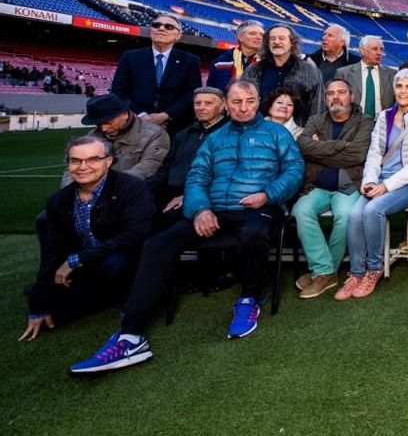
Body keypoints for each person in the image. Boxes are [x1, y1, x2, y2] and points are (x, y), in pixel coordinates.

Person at [69, 80, 303, 373]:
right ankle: (130, 335)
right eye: (237, 102)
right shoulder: (215, 139)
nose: (243, 108)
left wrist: (268, 194)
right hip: (214, 210)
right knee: (157, 244)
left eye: (250, 101)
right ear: (227, 105)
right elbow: (197, 177)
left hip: (259, 207)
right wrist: (201, 209)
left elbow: (294, 170)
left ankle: (249, 298)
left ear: (258, 102)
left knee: (255, 233)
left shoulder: (277, 133)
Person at [21, 137, 152, 342]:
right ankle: (92, 293)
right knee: (50, 316)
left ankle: (126, 296)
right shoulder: (59, 200)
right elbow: (51, 251)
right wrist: (39, 304)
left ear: (108, 161)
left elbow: (135, 235)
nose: (83, 167)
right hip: (88, 265)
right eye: (75, 161)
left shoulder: (132, 187)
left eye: (92, 159)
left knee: (114, 264)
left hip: (125, 258)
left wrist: (76, 259)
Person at [339, 69, 408, 300]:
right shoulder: (385, 116)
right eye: (400, 86)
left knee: (373, 210)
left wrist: (386, 186)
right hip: (381, 179)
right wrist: (371, 180)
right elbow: (374, 152)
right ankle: (356, 272)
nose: (403, 91)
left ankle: (374, 268)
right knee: (354, 214)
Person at [293, 79, 375, 299]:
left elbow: (357, 155)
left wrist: (319, 149)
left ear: (352, 96)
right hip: (316, 185)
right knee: (300, 211)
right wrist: (340, 146)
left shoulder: (365, 121)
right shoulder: (316, 119)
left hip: (348, 186)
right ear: (325, 97)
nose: (335, 97)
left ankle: (321, 272)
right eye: (330, 93)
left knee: (346, 215)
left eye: (341, 92)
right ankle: (326, 271)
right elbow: (303, 146)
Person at [147, 87, 228, 224]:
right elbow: (165, 168)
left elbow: (225, 176)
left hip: (201, 196)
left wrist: (189, 196)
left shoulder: (229, 134)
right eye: (197, 103)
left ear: (222, 106)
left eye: (208, 103)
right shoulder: (184, 134)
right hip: (169, 192)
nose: (201, 108)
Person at [110, 13, 202, 135]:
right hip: (136, 125)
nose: (161, 28)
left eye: (169, 27)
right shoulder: (130, 57)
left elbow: (193, 93)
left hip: (177, 128)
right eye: (156, 25)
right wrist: (141, 115)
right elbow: (118, 91)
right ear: (150, 31)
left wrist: (166, 115)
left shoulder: (191, 60)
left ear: (178, 35)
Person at [67, 94, 169, 186]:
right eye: (98, 124)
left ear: (124, 114)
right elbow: (73, 169)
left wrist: (102, 186)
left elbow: (146, 169)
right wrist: (69, 193)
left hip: (134, 195)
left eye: (108, 122)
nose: (103, 128)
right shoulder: (93, 136)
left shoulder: (155, 134)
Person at [243, 24, 324, 126]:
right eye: (272, 39)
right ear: (267, 43)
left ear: (292, 43)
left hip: (295, 133)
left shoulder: (309, 71)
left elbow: (318, 106)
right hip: (257, 130)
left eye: (282, 38)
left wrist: (312, 131)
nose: (276, 42)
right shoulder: (254, 69)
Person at [335, 35, 396, 119]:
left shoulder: (393, 74)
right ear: (362, 51)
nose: (379, 53)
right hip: (352, 124)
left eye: (381, 49)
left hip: (382, 125)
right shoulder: (344, 73)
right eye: (375, 49)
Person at [207, 20, 263, 91]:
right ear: (240, 37)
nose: (259, 37)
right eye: (252, 33)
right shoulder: (220, 61)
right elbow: (211, 91)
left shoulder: (267, 62)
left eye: (262, 35)